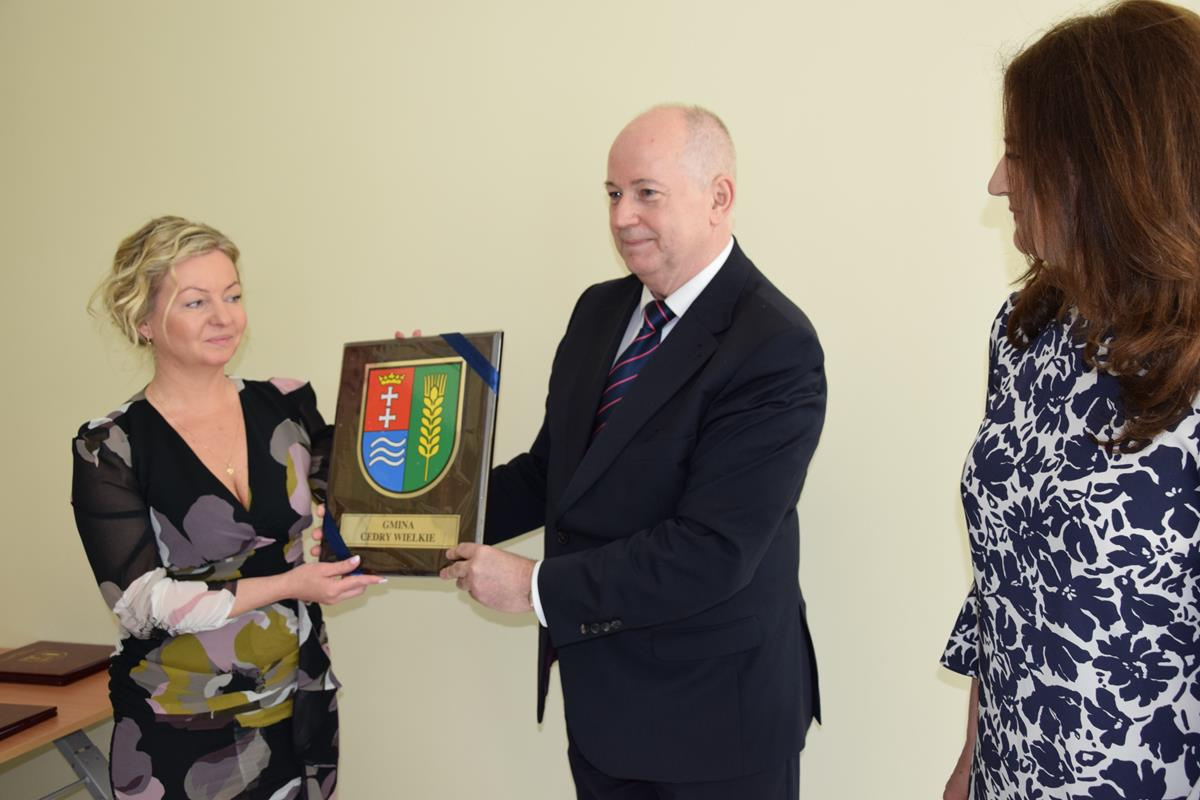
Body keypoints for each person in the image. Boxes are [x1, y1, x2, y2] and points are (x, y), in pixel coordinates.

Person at [441, 105, 826, 797]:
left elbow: (711, 549)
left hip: (718, 725)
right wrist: (411, 508)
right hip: (603, 715)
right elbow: (552, 475)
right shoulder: (599, 310)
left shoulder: (774, 345)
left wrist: (534, 587)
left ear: (719, 197)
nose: (622, 217)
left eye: (647, 192)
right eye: (614, 193)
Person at [941, 2, 1200, 798]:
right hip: (1007, 775)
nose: (997, 181)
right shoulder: (1027, 332)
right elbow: (1000, 587)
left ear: (1107, 170)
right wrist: (969, 764)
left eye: (1019, 155)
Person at [72, 216, 382, 799]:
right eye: (196, 302)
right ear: (143, 321)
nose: (224, 317)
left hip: (297, 705)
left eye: (233, 296)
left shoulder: (286, 405)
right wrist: (290, 584)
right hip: (177, 724)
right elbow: (141, 604)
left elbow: (366, 490)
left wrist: (408, 376)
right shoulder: (110, 445)